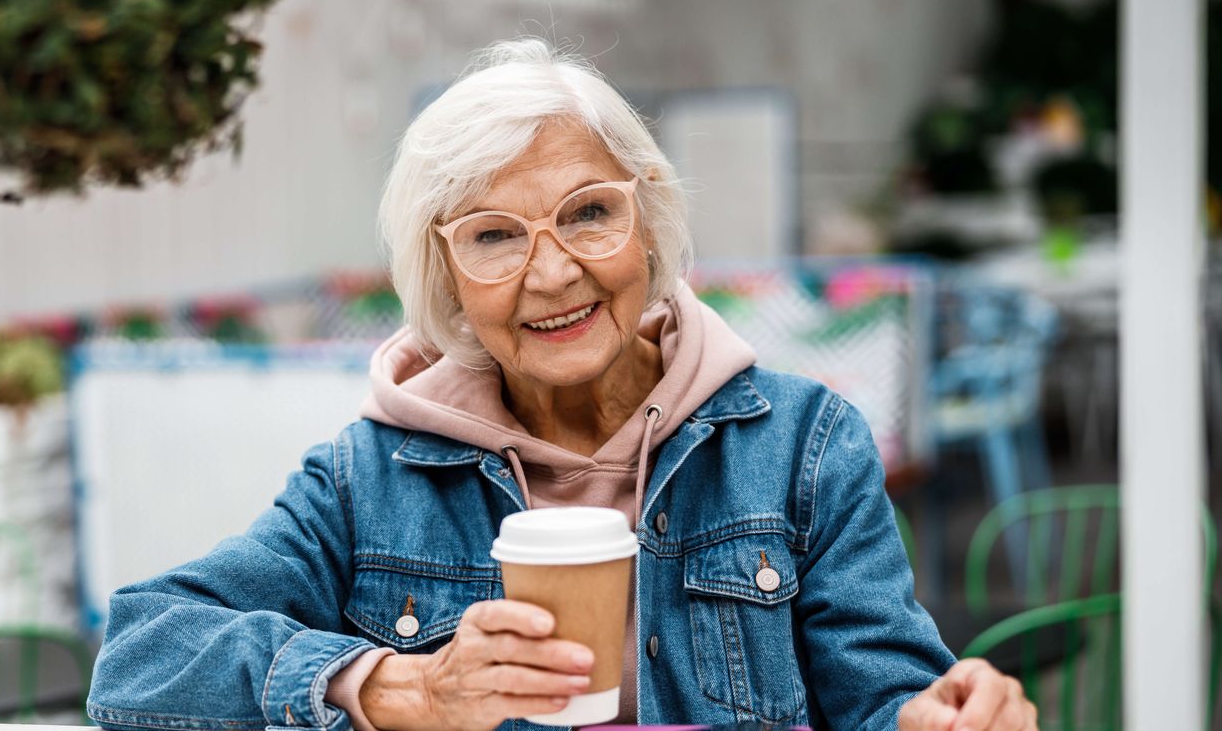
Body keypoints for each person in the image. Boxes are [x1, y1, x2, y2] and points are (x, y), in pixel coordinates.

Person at [87, 38, 1037, 731]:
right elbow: (136, 658)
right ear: (444, 275)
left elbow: (885, 698)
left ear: (652, 225)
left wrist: (940, 717)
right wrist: (402, 687)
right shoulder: (370, 477)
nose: (551, 274)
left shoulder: (801, 444)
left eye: (590, 214)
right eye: (494, 236)